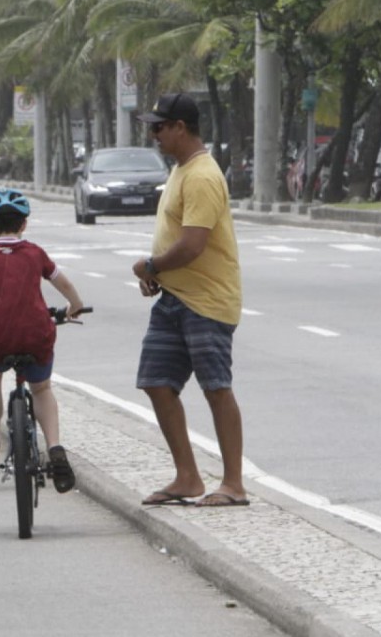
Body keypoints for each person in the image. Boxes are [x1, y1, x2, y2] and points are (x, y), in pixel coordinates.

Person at [131, 93, 247, 508]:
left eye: (159, 127)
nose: (153, 134)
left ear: (180, 127)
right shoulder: (181, 170)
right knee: (155, 382)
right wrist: (157, 274)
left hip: (206, 301)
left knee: (216, 388)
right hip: (175, 297)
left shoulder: (201, 175)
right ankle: (187, 477)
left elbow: (193, 245)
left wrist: (150, 266)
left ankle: (233, 483)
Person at [0, 189, 85, 493]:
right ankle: (55, 446)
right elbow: (63, 282)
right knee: (42, 388)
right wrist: (74, 304)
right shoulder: (35, 253)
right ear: (24, 225)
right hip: (37, 334)